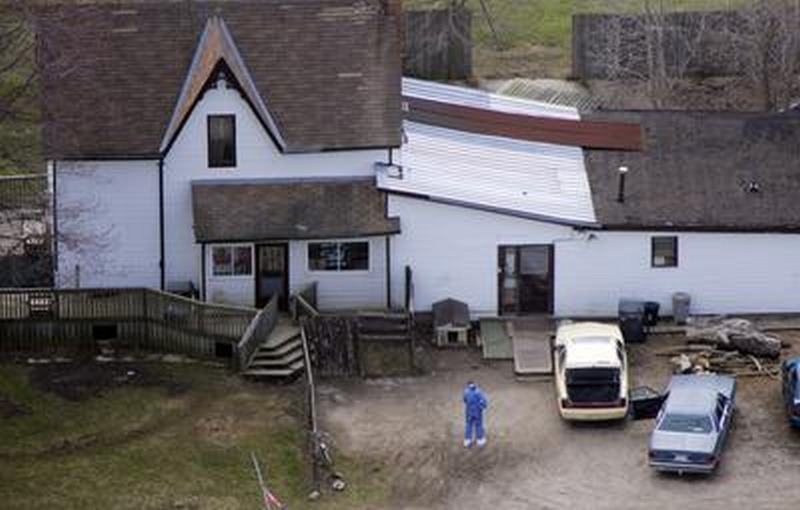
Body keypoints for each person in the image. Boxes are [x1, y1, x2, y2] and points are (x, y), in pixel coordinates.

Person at [462, 381, 488, 448]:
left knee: (468, 425)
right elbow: (484, 402)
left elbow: (464, 400)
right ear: (475, 385)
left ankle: (467, 440)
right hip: (477, 412)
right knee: (478, 425)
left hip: (469, 412)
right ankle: (480, 440)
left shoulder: (466, 392)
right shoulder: (478, 392)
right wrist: (482, 407)